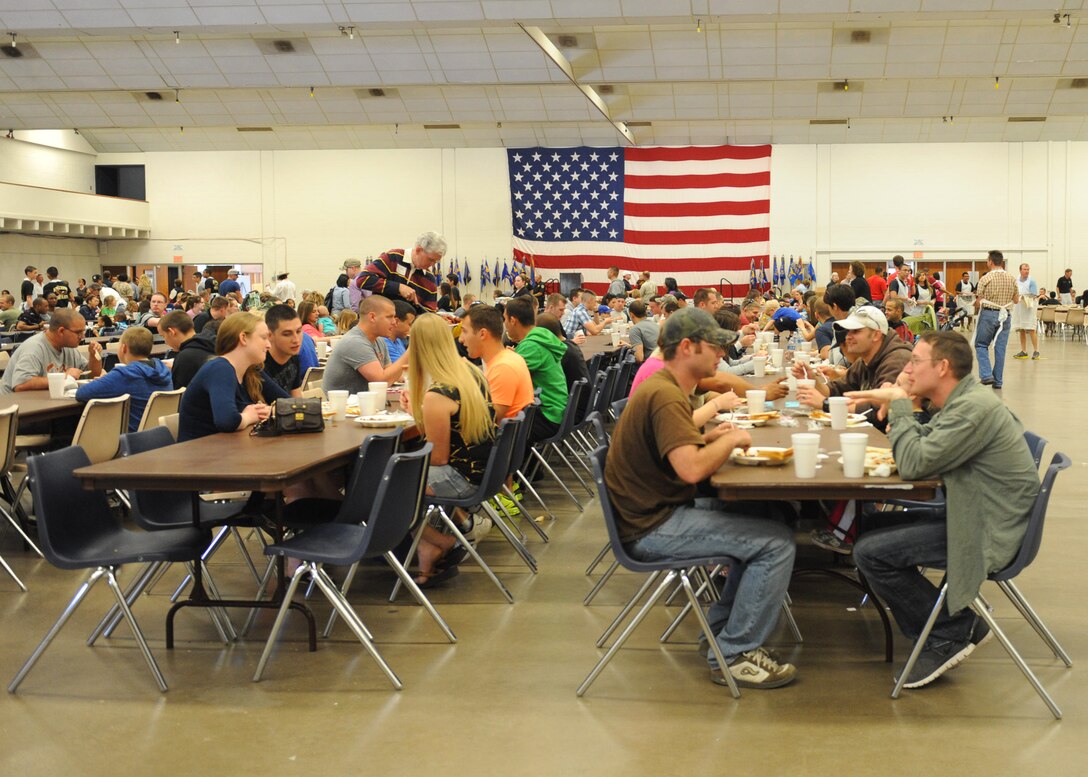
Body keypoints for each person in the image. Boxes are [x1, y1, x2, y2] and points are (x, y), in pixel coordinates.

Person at [605, 306, 797, 689]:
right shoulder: (664, 395)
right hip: (651, 526)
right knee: (776, 543)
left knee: (770, 521)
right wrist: (729, 439)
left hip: (653, 513)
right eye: (715, 348)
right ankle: (735, 653)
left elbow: (675, 449)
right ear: (688, 347)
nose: (721, 355)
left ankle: (723, 633)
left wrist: (710, 437)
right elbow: (691, 469)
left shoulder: (665, 387)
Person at [846, 331, 1038, 689]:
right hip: (969, 508)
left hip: (986, 527)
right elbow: (926, 444)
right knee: (868, 526)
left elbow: (915, 463)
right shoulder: (962, 401)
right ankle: (948, 624)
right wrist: (904, 398)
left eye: (916, 362)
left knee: (869, 552)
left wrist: (901, 403)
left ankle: (951, 631)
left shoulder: (973, 408)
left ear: (943, 367)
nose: (908, 368)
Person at [403, 313, 496, 587]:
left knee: (379, 488)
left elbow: (439, 458)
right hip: (482, 473)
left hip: (460, 478)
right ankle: (430, 543)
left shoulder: (438, 394)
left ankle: (435, 541)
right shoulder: (471, 373)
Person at [791, 305, 912, 425]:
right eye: (848, 331)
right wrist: (813, 380)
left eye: (856, 331)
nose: (848, 336)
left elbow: (880, 411)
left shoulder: (896, 360)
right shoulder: (866, 358)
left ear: (876, 335)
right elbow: (837, 389)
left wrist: (825, 404)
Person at [178, 313, 287, 442]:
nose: (269, 345)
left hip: (229, 450)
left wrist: (271, 410)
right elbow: (227, 421)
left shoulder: (251, 370)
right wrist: (249, 416)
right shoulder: (220, 369)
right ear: (243, 338)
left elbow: (287, 402)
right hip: (201, 456)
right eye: (264, 338)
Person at [75, 326, 171, 432]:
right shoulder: (164, 370)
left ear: (124, 348)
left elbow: (82, 393)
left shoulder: (126, 374)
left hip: (130, 439)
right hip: (161, 434)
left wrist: (104, 380)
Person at [503, 296, 568, 443]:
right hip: (556, 410)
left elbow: (507, 377)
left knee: (499, 429)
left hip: (548, 415)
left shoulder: (531, 346)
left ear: (513, 320)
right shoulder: (541, 337)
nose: (504, 324)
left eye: (505, 319)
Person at [1, 308, 103, 394]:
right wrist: (64, 377)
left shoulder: (68, 347)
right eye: (79, 332)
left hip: (44, 406)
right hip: (15, 410)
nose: (83, 336)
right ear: (61, 331)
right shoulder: (34, 348)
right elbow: (20, 385)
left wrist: (94, 357)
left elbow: (92, 375)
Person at [323, 295, 409, 394]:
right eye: (389, 317)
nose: (394, 322)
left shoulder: (379, 340)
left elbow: (391, 375)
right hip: (341, 407)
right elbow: (381, 382)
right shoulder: (355, 342)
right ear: (372, 317)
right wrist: (411, 351)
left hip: (362, 404)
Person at [459, 305, 533, 420]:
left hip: (498, 436)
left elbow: (486, 421)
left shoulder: (503, 368)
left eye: (464, 331)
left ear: (482, 334)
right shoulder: (508, 358)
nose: (460, 339)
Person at [356, 231, 446, 312]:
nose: (433, 265)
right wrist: (398, 287)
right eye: (430, 260)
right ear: (418, 250)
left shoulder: (430, 279)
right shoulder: (393, 257)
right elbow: (362, 279)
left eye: (436, 262)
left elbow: (429, 314)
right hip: (380, 326)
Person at [974, 250, 1018, 390]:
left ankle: (986, 375)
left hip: (988, 314)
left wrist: (975, 305)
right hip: (1005, 316)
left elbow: (979, 299)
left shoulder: (985, 278)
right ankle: (998, 381)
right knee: (1000, 349)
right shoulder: (1011, 278)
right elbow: (1016, 300)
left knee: (981, 344)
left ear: (991, 262)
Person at [159, 310, 216, 389]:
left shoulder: (185, 357)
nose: (165, 341)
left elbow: (180, 395)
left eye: (163, 336)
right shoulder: (211, 343)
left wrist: (177, 366)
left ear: (172, 332)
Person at [536, 313, 591, 392]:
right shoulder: (570, 346)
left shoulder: (560, 352)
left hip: (573, 401)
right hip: (582, 398)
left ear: (545, 333)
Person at [260, 304, 305, 397]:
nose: (296, 340)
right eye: (287, 334)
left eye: (299, 331)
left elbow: (297, 400)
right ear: (269, 335)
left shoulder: (294, 359)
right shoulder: (260, 365)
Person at [1011, 263, 1040, 361]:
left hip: (1029, 307)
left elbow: (1034, 295)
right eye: (1025, 269)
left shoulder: (1032, 281)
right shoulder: (1016, 280)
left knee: (1031, 329)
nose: (1027, 271)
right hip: (1019, 307)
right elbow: (1014, 292)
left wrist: (1025, 297)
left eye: (1028, 269)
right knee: (1021, 329)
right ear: (1020, 270)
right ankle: (1024, 351)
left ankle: (1036, 351)